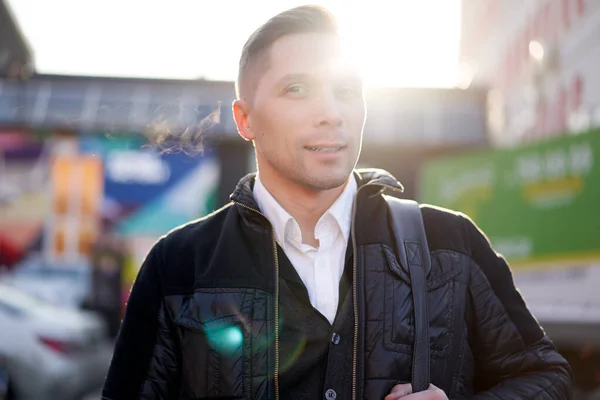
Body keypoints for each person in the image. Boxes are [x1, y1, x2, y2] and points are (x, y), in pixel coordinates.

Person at [102, 5, 572, 399]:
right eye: (297, 89)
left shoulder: (451, 245)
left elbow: (547, 378)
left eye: (347, 90)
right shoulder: (180, 264)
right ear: (245, 119)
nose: (331, 113)